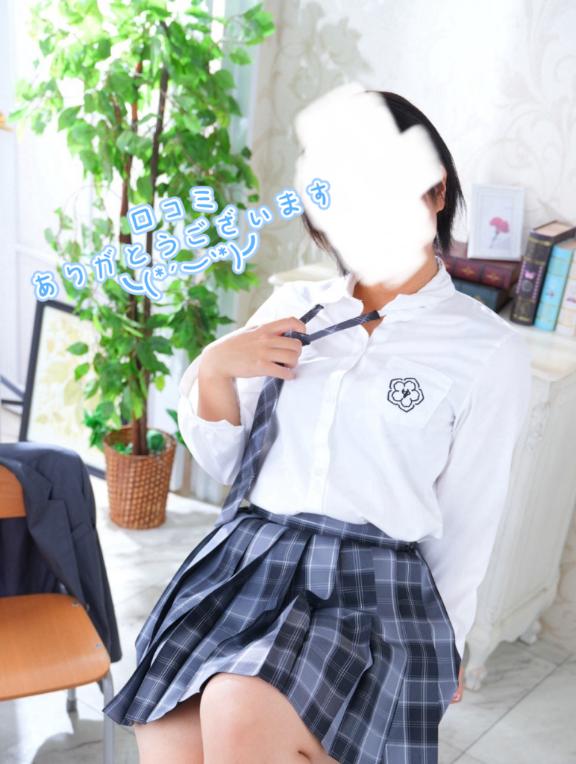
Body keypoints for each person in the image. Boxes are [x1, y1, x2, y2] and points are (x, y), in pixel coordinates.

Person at [102, 91, 533, 764]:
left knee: (238, 707)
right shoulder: (295, 306)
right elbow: (231, 464)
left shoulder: (484, 349)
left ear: (436, 191)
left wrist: (446, 642)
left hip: (370, 589)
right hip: (249, 560)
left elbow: (469, 518)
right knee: (167, 730)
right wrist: (214, 369)